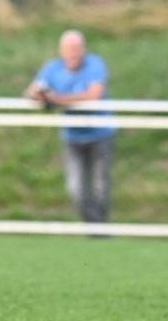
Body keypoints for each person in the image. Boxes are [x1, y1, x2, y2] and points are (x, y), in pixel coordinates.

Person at [25, 30, 116, 224]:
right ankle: (92, 228)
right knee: (76, 189)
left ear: (83, 49)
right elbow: (33, 91)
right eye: (68, 49)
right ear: (61, 51)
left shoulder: (94, 64)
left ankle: (101, 230)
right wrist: (41, 96)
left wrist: (58, 99)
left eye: (76, 48)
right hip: (72, 137)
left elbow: (93, 94)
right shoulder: (53, 68)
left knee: (101, 187)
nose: (72, 53)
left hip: (100, 134)